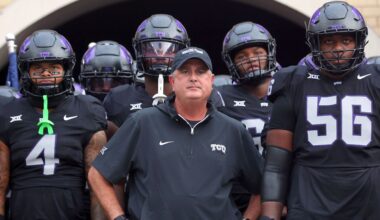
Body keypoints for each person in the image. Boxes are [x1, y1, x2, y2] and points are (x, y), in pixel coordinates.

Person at [88, 46, 263, 220]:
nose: (193, 78)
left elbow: (263, 186)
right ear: (172, 82)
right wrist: (117, 218)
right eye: (185, 71)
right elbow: (97, 174)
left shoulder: (233, 130)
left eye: (201, 72)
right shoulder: (142, 122)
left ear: (211, 80)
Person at [261, 1, 380, 219]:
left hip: (368, 199)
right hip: (310, 198)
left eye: (346, 40)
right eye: (328, 41)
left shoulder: (376, 80)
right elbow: (276, 165)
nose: (338, 48)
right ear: (315, 44)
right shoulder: (293, 82)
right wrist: (269, 216)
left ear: (359, 40)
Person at [0, 29, 107, 220]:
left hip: (72, 210)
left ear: (66, 69)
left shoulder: (87, 109)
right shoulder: (8, 111)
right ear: (26, 71)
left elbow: (97, 183)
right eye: (38, 68)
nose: (46, 73)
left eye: (54, 68)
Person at [217, 21, 278, 219]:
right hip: (233, 200)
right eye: (242, 56)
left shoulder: (289, 89)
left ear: (269, 53)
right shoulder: (220, 97)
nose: (251, 60)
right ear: (231, 63)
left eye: (257, 53)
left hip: (282, 199)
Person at [102, 14, 190, 133]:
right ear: (139, 51)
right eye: (151, 49)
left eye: (169, 50)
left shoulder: (199, 95)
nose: (160, 55)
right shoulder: (118, 98)